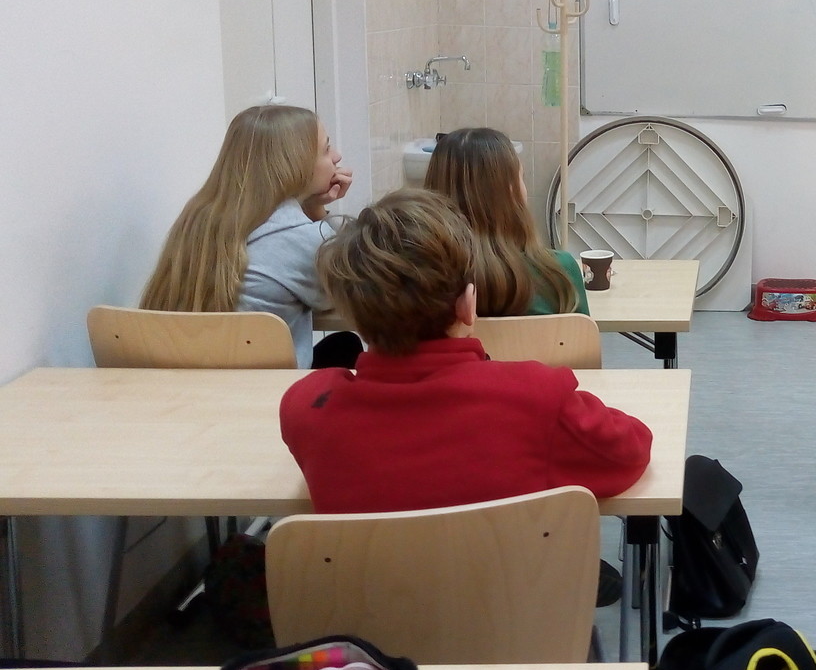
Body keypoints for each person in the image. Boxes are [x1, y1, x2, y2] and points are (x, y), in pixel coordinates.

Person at [279, 188, 651, 515]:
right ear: (468, 304)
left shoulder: (307, 409)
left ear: (353, 315)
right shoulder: (535, 397)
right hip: (507, 577)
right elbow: (630, 452)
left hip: (370, 579)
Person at [141, 103, 355, 368]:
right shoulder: (299, 237)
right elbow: (342, 294)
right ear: (296, 164)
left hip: (184, 380)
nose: (336, 157)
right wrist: (318, 212)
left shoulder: (197, 218)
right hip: (263, 386)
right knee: (347, 346)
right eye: (326, 149)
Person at [423, 127, 589, 317]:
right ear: (512, 193)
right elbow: (583, 335)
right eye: (521, 178)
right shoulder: (559, 272)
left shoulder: (420, 283)